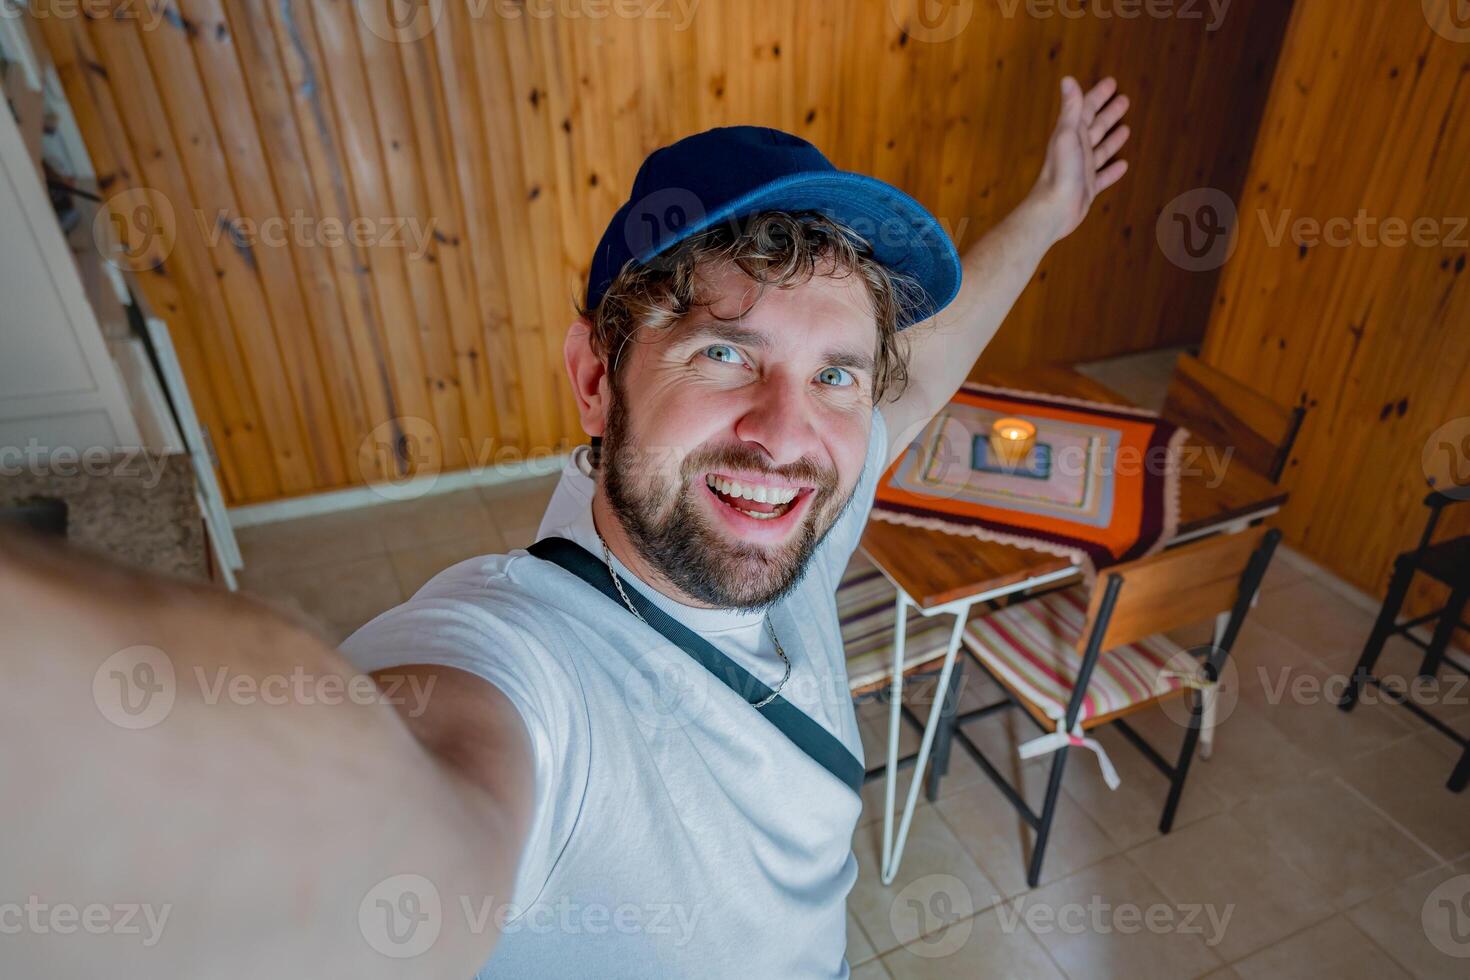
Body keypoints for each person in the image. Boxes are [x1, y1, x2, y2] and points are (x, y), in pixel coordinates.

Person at [0, 76, 1129, 978]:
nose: (790, 434)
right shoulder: (517, 662)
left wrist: (1049, 211)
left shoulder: (794, 518)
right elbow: (367, 813)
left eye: (833, 373)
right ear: (596, 378)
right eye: (725, 351)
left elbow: (916, 373)